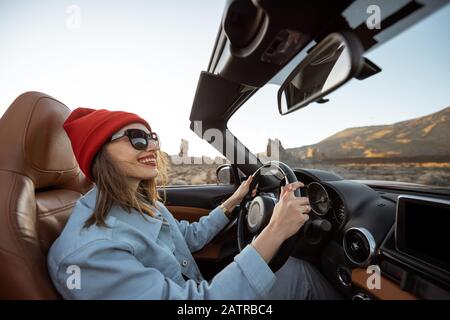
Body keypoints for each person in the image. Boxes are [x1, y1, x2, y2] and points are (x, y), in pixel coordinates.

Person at [47, 107, 340, 299]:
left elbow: (188, 238)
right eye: (136, 139)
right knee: (299, 276)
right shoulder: (89, 254)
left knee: (290, 270)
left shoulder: (139, 201)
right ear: (100, 152)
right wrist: (275, 231)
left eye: (152, 138)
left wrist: (233, 202)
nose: (151, 146)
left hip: (197, 291)